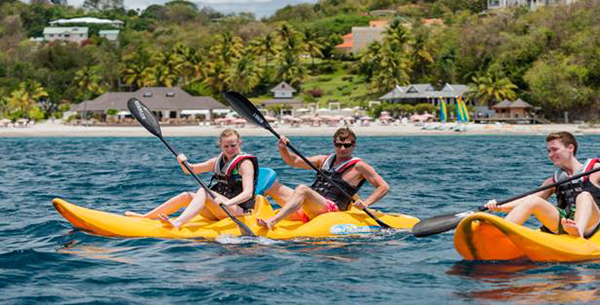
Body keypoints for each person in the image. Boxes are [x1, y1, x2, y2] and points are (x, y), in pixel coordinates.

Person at [257, 127, 390, 229]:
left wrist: (367, 202)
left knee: (302, 189)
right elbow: (294, 161)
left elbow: (383, 187)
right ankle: (245, 213)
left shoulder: (360, 166)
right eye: (339, 145)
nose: (343, 149)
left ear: (353, 145)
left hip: (331, 210)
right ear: (334, 144)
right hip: (310, 207)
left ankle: (273, 221)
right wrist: (283, 149)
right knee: (272, 186)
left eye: (347, 145)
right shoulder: (324, 160)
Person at [125, 128, 259, 228]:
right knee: (187, 195)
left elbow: (247, 193)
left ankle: (177, 223)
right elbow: (190, 170)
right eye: (226, 146)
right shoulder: (216, 161)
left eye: (233, 145)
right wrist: (182, 161)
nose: (230, 149)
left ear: (239, 143)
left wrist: (227, 203)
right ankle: (146, 217)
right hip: (220, 209)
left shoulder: (245, 164)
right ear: (220, 145)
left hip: (239, 211)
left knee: (204, 191)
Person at [485, 131, 600, 238]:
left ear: (570, 148)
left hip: (591, 224)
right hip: (564, 222)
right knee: (533, 201)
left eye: (554, 149)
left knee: (584, 196)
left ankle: (577, 231)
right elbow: (526, 201)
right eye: (549, 151)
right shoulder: (554, 181)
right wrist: (499, 206)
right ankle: (499, 235)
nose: (550, 154)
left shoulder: (595, 170)